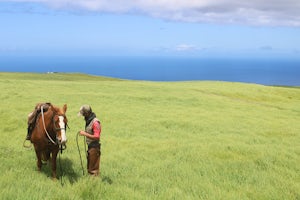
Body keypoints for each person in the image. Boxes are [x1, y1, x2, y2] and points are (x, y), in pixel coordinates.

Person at [78, 105, 101, 176]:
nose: (83, 116)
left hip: (94, 148)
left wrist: (85, 134)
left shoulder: (95, 123)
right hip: (91, 147)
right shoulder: (89, 120)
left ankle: (94, 184)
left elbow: (97, 137)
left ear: (87, 113)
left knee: (93, 171)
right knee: (90, 168)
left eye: (83, 114)